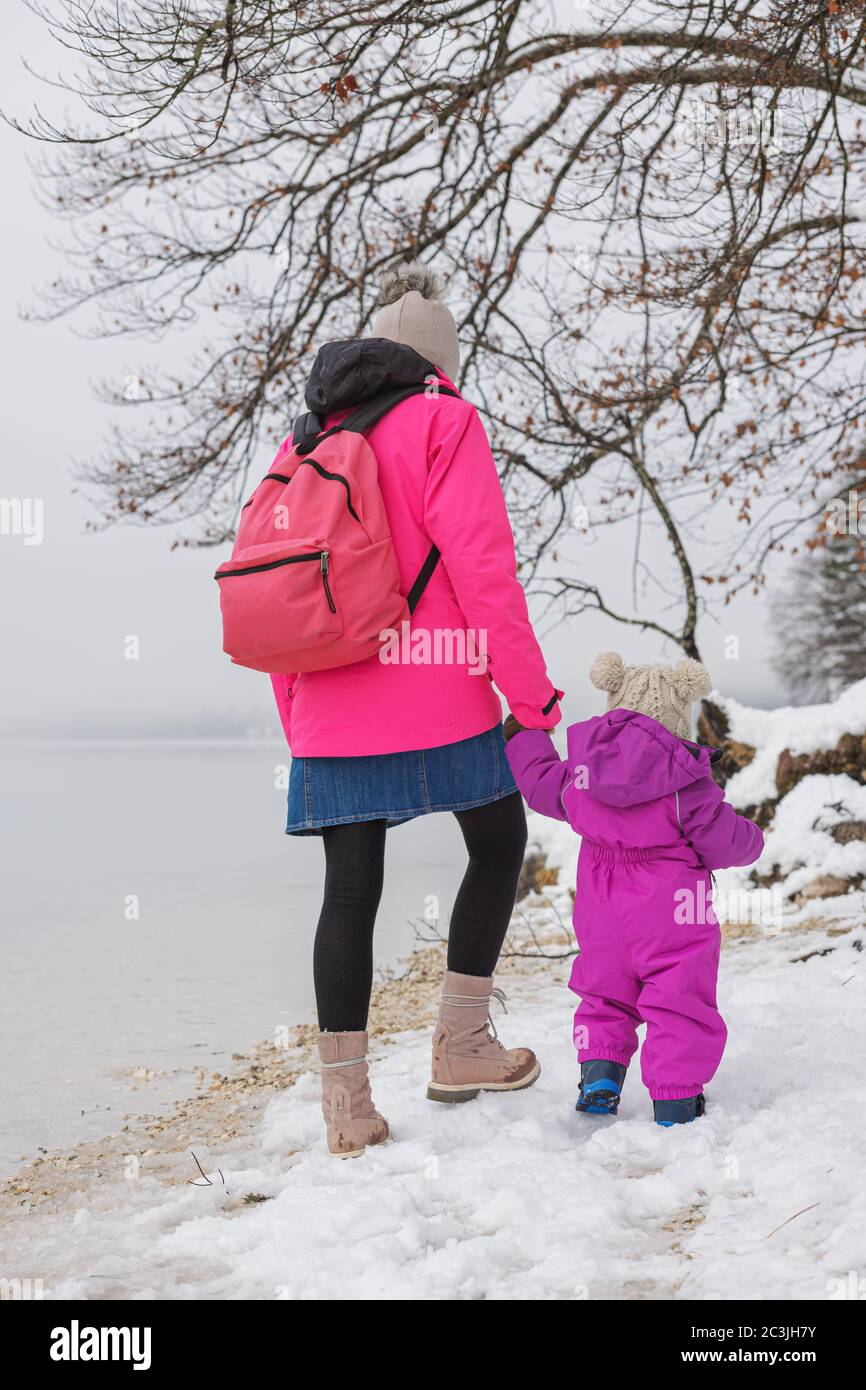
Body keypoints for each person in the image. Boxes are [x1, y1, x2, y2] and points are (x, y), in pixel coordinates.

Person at [271, 263, 561, 1157]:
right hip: (439, 694)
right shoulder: (446, 420)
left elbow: (271, 593)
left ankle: (347, 1107)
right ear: (440, 363)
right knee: (498, 842)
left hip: (326, 699)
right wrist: (533, 697)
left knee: (350, 891)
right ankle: (463, 1043)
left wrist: (302, 716)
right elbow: (484, 572)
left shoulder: (304, 439)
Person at [504, 652, 764, 1126]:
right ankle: (675, 1099)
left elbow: (540, 784)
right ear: (678, 719)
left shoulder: (582, 778)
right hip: (672, 918)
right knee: (677, 998)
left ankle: (600, 1076)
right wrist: (755, 837)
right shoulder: (687, 785)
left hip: (602, 914)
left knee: (604, 994)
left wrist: (524, 737)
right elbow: (726, 844)